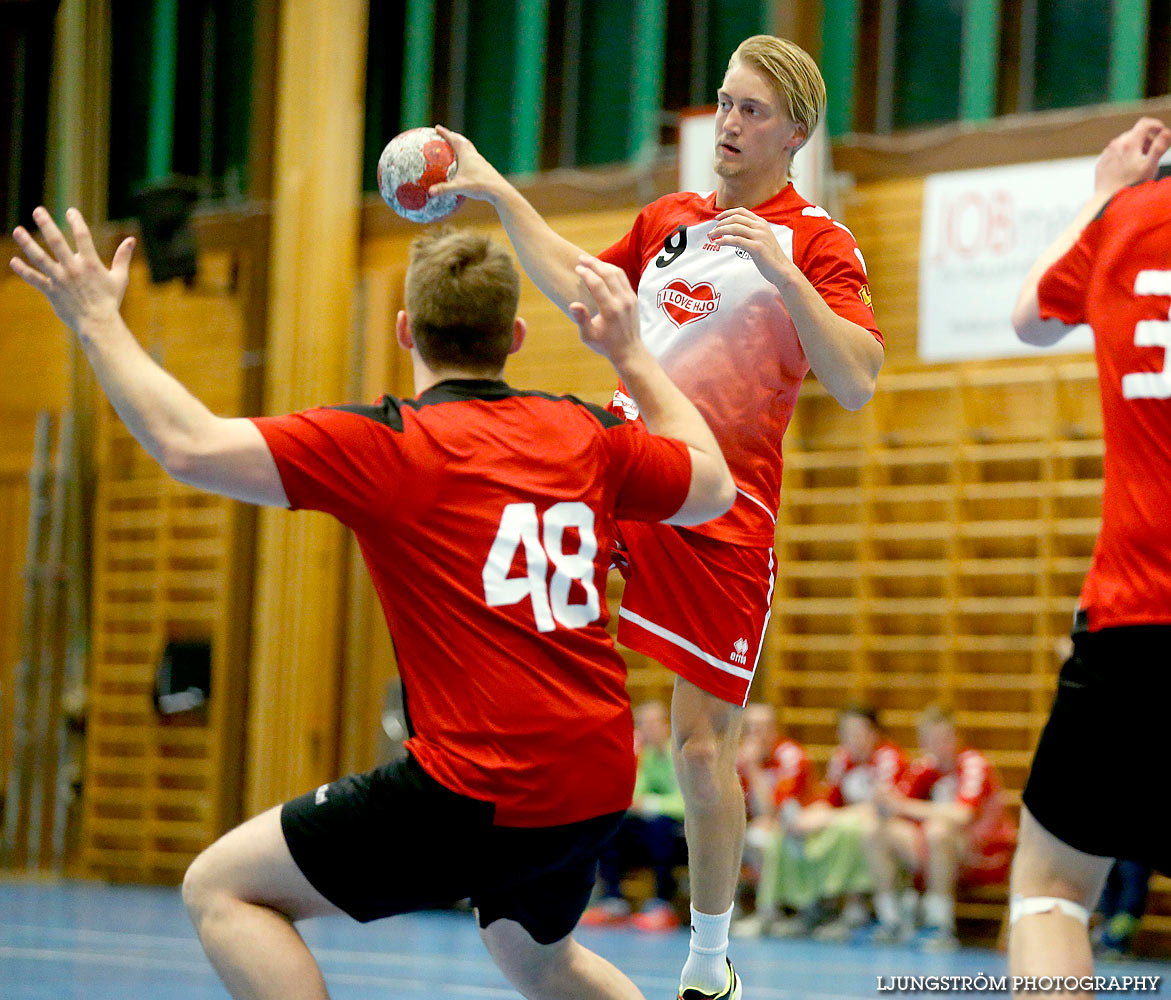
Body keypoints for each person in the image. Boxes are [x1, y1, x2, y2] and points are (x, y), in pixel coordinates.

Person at [9, 209, 736, 1000]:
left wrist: (95, 321)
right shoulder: (584, 433)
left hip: (480, 784)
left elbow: (188, 443)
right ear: (515, 336)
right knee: (538, 957)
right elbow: (712, 484)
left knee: (221, 888)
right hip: (595, 779)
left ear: (403, 330)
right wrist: (630, 354)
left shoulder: (391, 444)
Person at [431, 33, 883, 1000]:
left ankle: (708, 962)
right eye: (722, 102)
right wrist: (498, 190)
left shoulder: (816, 241)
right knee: (509, 619)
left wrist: (784, 273)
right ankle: (498, 856)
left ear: (793, 131)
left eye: (749, 110)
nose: (725, 123)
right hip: (628, 471)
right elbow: (575, 287)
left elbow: (854, 381)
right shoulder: (667, 219)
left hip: (722, 507)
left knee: (698, 747)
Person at [1007, 116, 1171, 997]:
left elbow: (1030, 317)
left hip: (1135, 625)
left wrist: (1105, 197)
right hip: (1130, 619)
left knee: (1051, 890)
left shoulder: (1125, 221)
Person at [863, 706, 1016, 951]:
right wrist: (883, 802)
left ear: (957, 738)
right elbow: (896, 807)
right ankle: (891, 920)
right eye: (930, 739)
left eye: (944, 738)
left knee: (939, 830)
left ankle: (940, 925)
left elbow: (961, 814)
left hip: (985, 854)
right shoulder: (926, 768)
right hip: (939, 852)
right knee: (876, 831)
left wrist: (904, 806)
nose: (937, 745)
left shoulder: (973, 763)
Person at [582, 700, 688, 932]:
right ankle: (614, 901)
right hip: (652, 830)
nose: (645, 730)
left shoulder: (681, 755)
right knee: (612, 824)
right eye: (641, 724)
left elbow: (686, 803)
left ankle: (663, 904)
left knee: (660, 825)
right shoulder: (647, 756)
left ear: (666, 725)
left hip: (681, 834)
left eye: (650, 723)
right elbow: (635, 795)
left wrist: (650, 804)